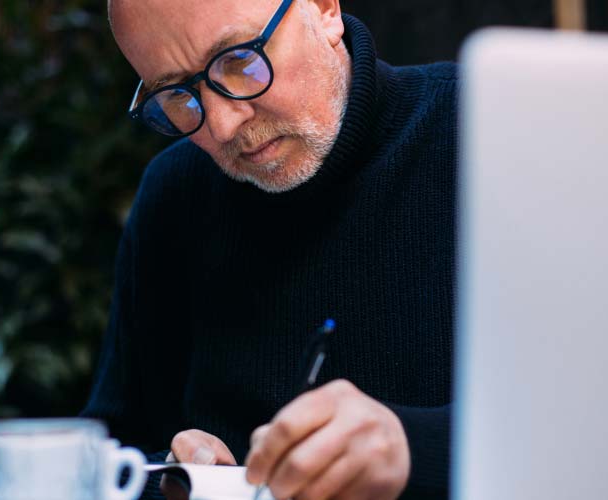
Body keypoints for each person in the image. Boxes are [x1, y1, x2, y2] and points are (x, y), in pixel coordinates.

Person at [82, 0, 457, 498]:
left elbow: (585, 430)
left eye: (238, 62)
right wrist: (169, 478)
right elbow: (106, 457)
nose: (221, 125)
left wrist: (414, 449)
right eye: (177, 95)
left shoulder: (483, 130)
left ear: (324, 10)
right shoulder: (174, 196)